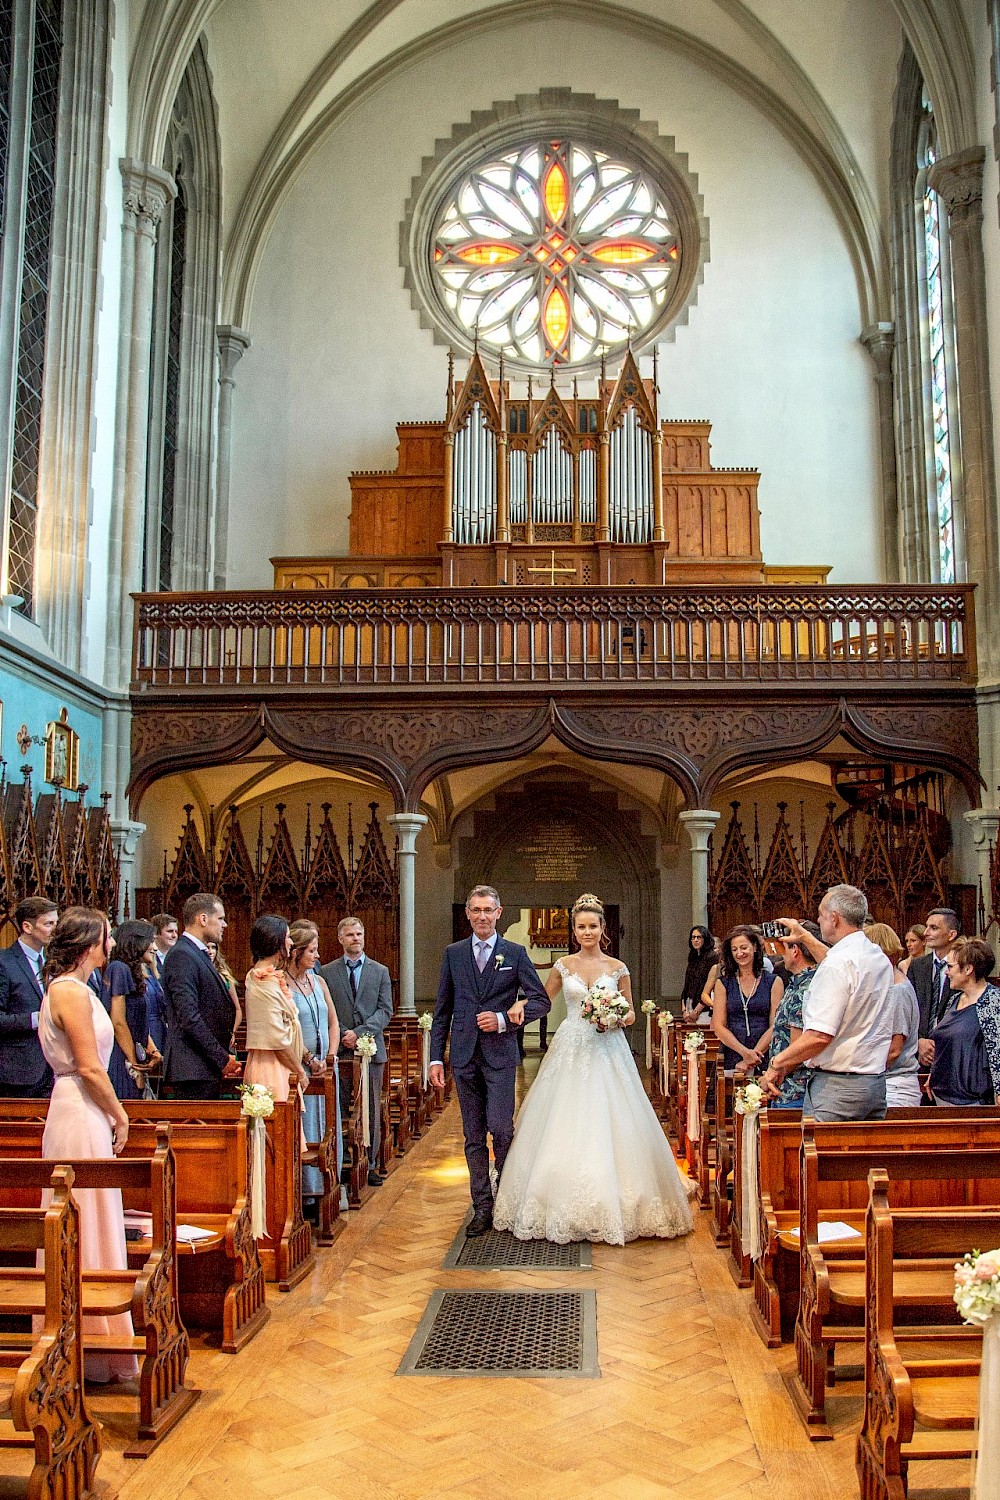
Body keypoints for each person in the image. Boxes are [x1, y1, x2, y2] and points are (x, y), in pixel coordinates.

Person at [493, 893, 693, 1245]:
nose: (587, 932)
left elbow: (630, 1012)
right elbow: (543, 999)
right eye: (581, 926)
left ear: (603, 929)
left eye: (593, 926)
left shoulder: (617, 968)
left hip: (607, 1048)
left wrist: (614, 1017)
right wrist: (520, 1006)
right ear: (574, 930)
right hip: (571, 1046)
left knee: (613, 1117)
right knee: (562, 1117)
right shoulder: (563, 967)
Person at [39, 906, 137, 1382]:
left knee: (95, 1215)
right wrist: (120, 1114)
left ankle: (98, 1347)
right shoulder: (69, 992)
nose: (112, 945)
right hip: (79, 1110)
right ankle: (85, 1344)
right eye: (105, 937)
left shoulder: (76, 988)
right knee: (83, 1217)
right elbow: (89, 1066)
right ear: (86, 945)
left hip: (81, 1106)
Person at [429, 885, 550, 1235]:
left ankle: (507, 1195)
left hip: (499, 1055)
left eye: (488, 910)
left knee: (502, 1128)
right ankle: (482, 1205)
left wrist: (504, 1018)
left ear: (499, 913)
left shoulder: (514, 952)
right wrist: (436, 1059)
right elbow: (442, 1010)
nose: (482, 916)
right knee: (472, 1135)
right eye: (476, 910)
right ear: (468, 914)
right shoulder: (453, 954)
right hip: (464, 1057)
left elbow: (540, 1001)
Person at [761, 885, 893, 1121]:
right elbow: (839, 963)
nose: (819, 920)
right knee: (864, 1157)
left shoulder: (838, 964)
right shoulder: (875, 955)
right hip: (873, 1083)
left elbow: (820, 1036)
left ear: (834, 919)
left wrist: (776, 1063)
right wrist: (805, 937)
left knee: (820, 1155)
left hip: (838, 1088)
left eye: (821, 915)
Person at [321, 916, 393, 1187]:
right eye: (350, 935)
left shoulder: (380, 971)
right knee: (338, 1109)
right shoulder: (326, 973)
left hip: (371, 1051)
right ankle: (340, 1163)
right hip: (339, 1050)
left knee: (370, 1108)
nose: (356, 939)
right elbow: (326, 1011)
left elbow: (386, 1009)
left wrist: (361, 1032)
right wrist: (342, 1033)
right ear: (340, 939)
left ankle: (370, 1163)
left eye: (359, 934)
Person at [161, 892, 241, 1098]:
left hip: (203, 1066)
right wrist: (221, 1058)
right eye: (221, 918)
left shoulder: (195, 953)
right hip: (192, 1068)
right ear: (203, 919)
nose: (225, 925)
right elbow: (189, 1017)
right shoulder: (182, 955)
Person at [287, 920, 340, 1205]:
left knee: (328, 1125)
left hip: (326, 1067)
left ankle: (329, 1187)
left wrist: (330, 1056)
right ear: (296, 952)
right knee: (306, 1128)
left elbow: (333, 1021)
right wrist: (310, 1058)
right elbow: (287, 1030)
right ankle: (308, 1194)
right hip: (301, 1067)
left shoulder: (319, 981)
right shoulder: (282, 984)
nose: (317, 956)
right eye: (312, 951)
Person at [243, 914, 308, 1114]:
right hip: (270, 1066)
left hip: (281, 1064)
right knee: (279, 1133)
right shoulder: (261, 980)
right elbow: (275, 1038)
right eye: (287, 937)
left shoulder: (271, 977)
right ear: (275, 941)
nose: (290, 942)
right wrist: (300, 1072)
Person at [928, 937, 1000, 1106]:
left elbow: (997, 1050)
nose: (946, 972)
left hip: (972, 1100)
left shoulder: (993, 1002)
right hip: (942, 1095)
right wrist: (934, 1073)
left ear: (968, 969)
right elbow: (946, 1042)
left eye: (950, 967)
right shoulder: (955, 999)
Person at [0, 896, 58, 1097]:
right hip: (18, 1071)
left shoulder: (52, 962)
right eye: (49, 924)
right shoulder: (5, 962)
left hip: (52, 1068)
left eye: (56, 923)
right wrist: (36, 1019)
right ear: (27, 927)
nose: (55, 929)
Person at [102, 919, 162, 1100]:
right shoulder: (118, 968)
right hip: (122, 1059)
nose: (155, 947)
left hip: (133, 1055)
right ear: (136, 942)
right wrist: (134, 1066)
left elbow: (137, 1021)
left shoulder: (135, 971)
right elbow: (118, 1021)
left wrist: (153, 1051)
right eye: (150, 941)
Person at [766, 920, 823, 1107]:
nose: (782, 954)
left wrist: (772, 1074)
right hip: (785, 1084)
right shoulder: (797, 982)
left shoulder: (806, 988)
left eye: (785, 948)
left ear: (795, 950)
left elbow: (799, 1046)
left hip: (794, 1089)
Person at [711, 926, 782, 1073]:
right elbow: (718, 1025)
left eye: (743, 947)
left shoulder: (774, 981)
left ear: (754, 947)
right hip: (733, 1052)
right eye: (734, 949)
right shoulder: (723, 983)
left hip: (763, 1054)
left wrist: (753, 1056)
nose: (739, 953)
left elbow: (775, 1025)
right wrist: (744, 1053)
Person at [866, 921, 920, 1106]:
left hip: (896, 1087)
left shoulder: (898, 990)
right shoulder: (887, 986)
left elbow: (894, 1049)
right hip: (884, 1083)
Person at [907, 907, 961, 1065]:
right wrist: (919, 1041)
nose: (926, 932)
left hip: (952, 1052)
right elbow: (909, 1008)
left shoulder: (963, 966)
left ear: (951, 934)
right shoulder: (918, 966)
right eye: (927, 927)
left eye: (934, 928)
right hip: (919, 1054)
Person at [680, 925, 717, 1024]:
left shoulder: (712, 957)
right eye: (693, 937)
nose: (695, 940)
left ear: (705, 939)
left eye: (699, 937)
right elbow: (687, 985)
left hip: (703, 1008)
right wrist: (684, 1009)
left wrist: (697, 1011)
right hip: (690, 1004)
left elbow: (708, 986)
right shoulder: (693, 957)